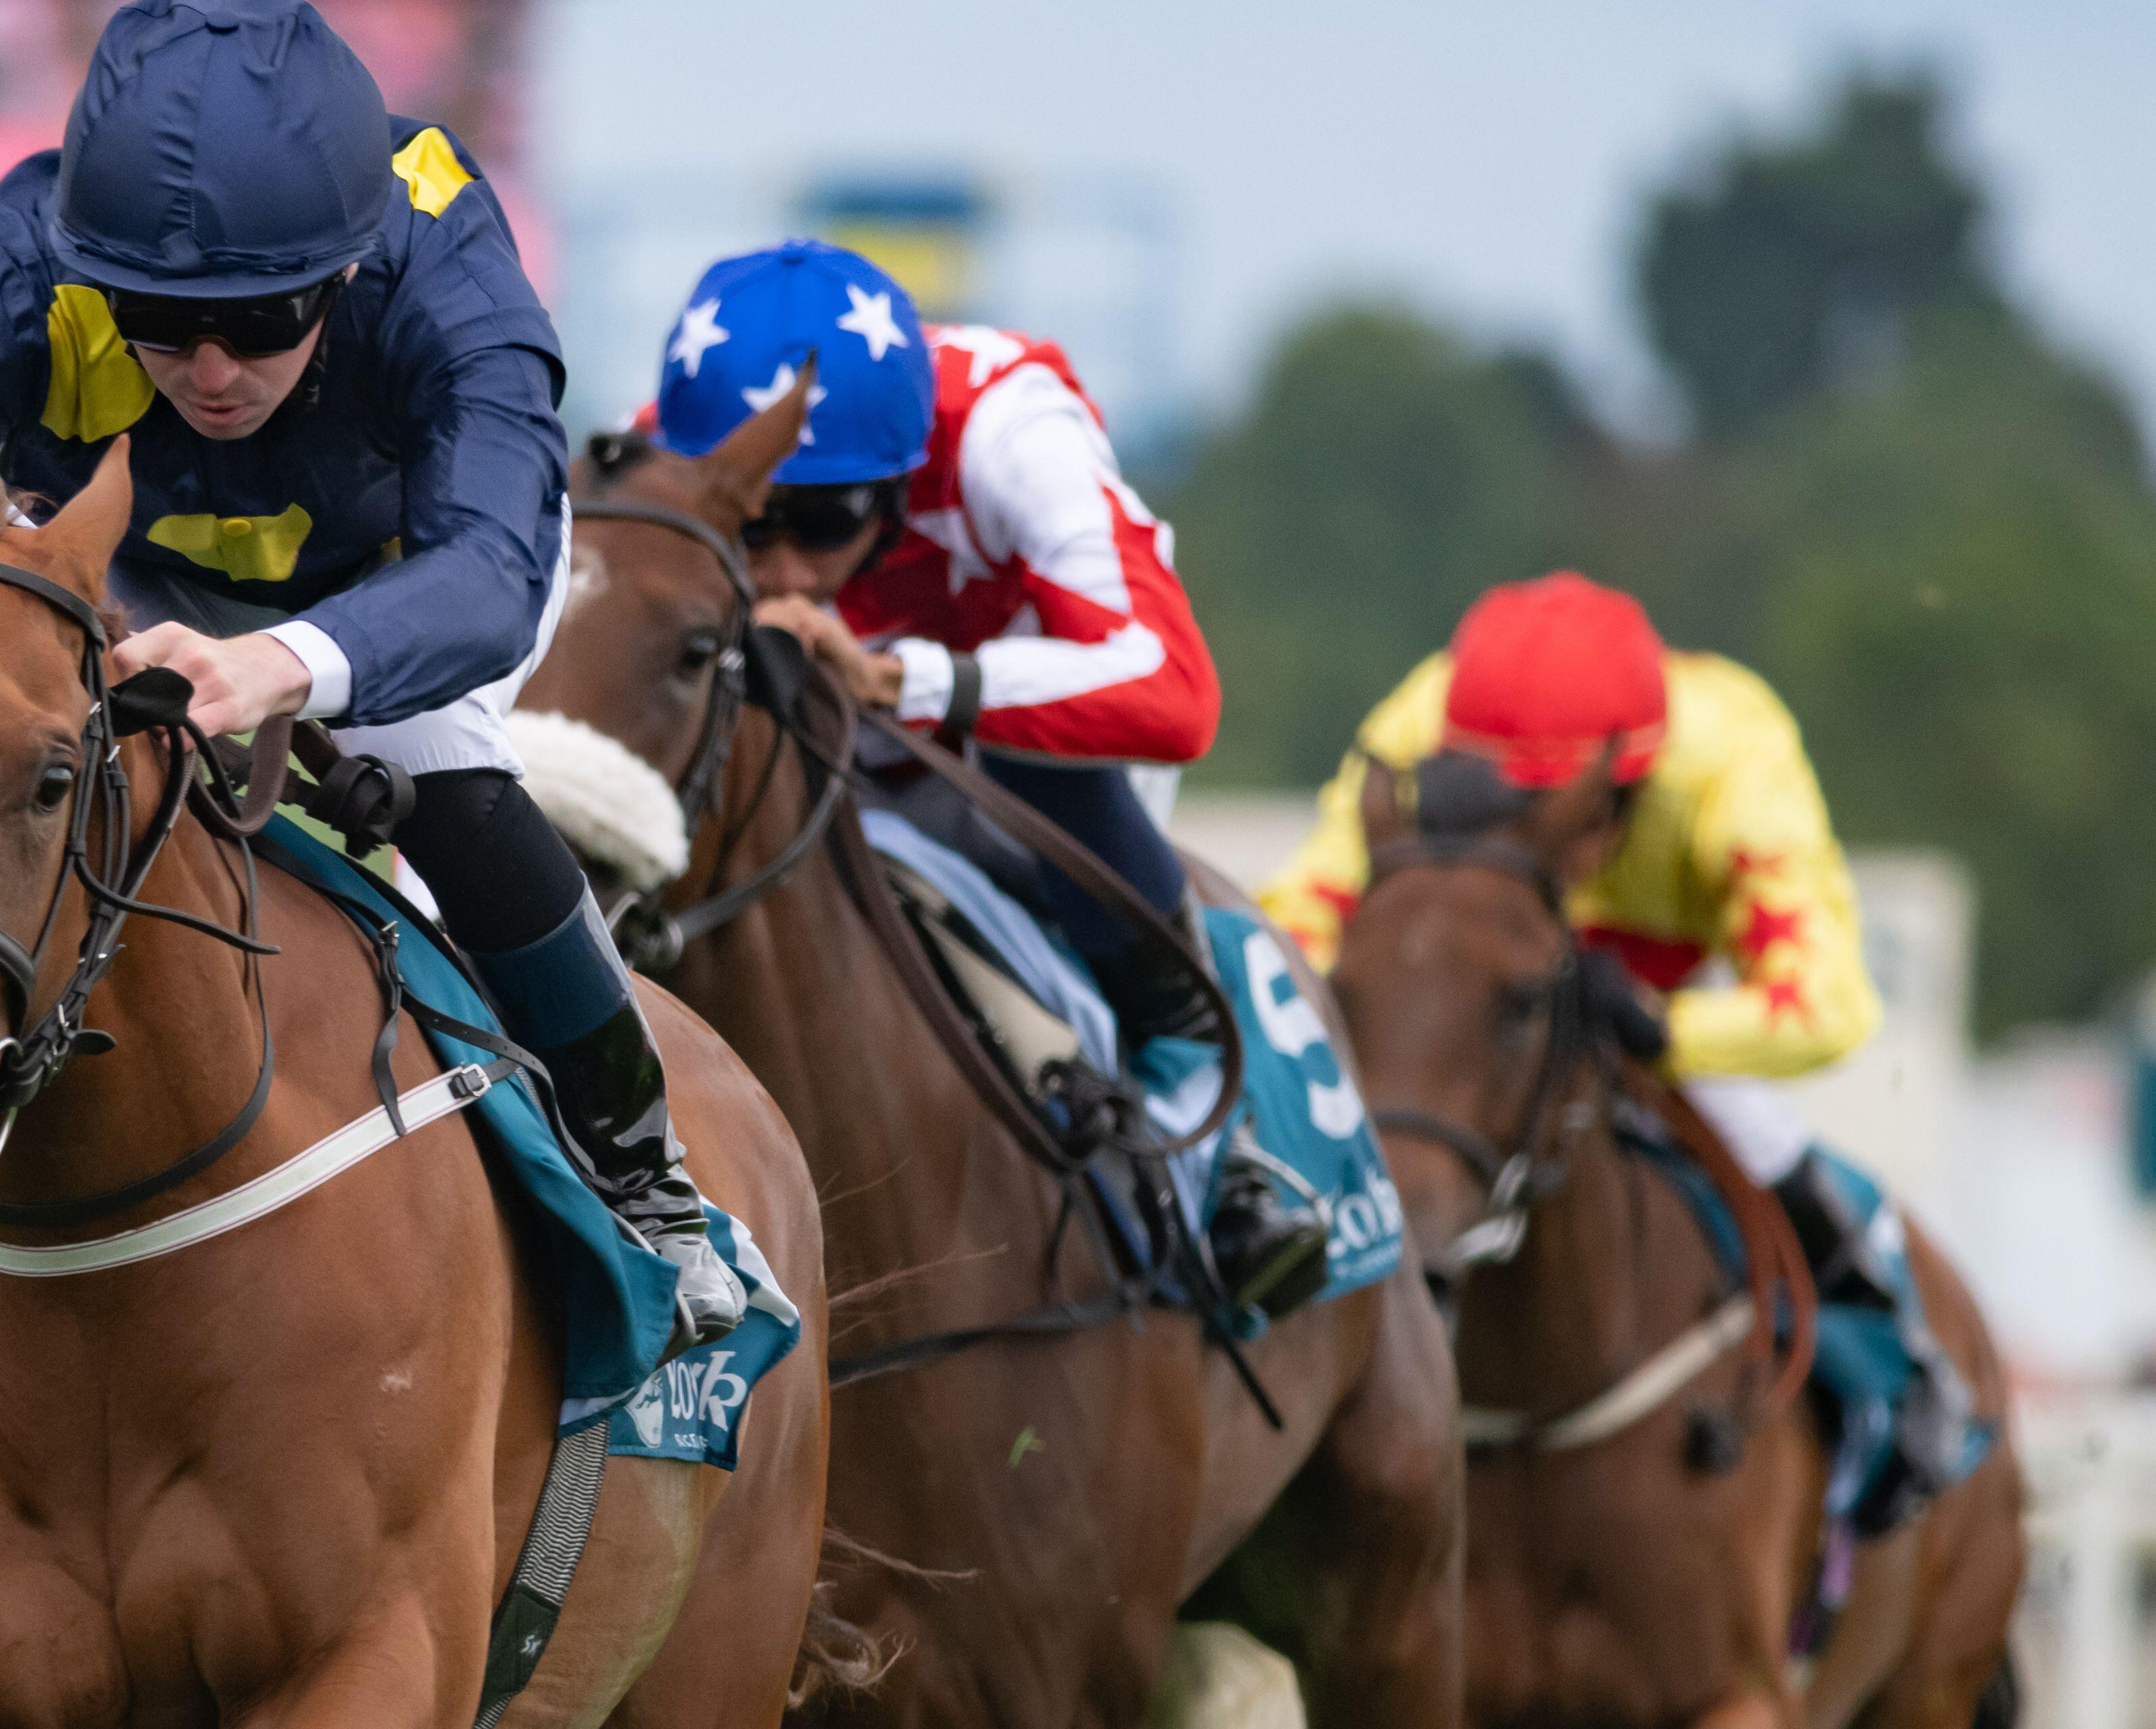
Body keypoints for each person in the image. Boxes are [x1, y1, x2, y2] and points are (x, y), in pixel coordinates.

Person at [0, 0, 742, 1352]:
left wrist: (285, 664)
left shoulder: (442, 262)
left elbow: (491, 568)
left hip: (405, 585)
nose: (210, 367)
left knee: (445, 787)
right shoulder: (14, 261)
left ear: (343, 270)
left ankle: (642, 1179)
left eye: (262, 323)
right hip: (110, 566)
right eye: (158, 316)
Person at [640, 239, 1319, 1313]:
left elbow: (1176, 695)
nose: (781, 571)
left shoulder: (1011, 425)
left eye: (822, 525)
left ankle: (1209, 1135)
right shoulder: (671, 447)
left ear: (905, 475)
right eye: (753, 525)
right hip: (826, 757)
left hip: (1031, 763)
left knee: (1028, 759)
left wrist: (900, 678)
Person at [1262, 572, 1975, 1521]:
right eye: (1498, 809)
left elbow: (1830, 1007)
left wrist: (1662, 1028)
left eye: (1559, 815)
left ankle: (1896, 1373)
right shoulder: (1415, 731)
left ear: (1628, 789)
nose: (1535, 841)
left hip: (1654, 998)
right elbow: (1296, 928)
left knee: (1766, 1139)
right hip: (1478, 1013)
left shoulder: (1736, 762)